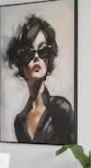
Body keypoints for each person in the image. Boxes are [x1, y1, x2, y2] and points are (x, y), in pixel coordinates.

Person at [5, 14, 75, 144]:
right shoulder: (19, 122)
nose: (37, 58)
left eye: (43, 52)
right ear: (20, 62)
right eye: (28, 53)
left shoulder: (61, 109)